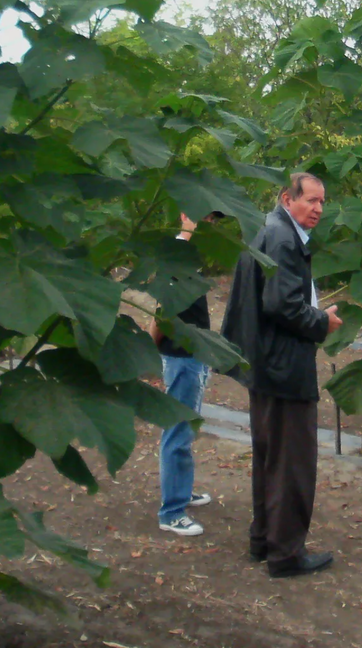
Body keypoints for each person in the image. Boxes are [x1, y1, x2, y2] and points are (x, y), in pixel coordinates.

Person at [221, 173, 343, 578]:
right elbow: (283, 304)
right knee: (291, 463)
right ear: (287, 199)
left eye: (322, 202)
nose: (318, 209)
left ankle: (263, 540)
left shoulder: (266, 229)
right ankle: (286, 554)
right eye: (310, 200)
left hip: (264, 364)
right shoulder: (284, 238)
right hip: (284, 367)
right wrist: (321, 321)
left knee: (269, 456)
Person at [152, 212, 220, 537]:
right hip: (181, 358)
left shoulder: (189, 260)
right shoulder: (175, 259)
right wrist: (147, 354)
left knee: (186, 430)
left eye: (214, 219)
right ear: (185, 216)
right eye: (204, 217)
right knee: (177, 432)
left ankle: (182, 490)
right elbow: (161, 313)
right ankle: (172, 512)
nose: (211, 224)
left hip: (194, 356)